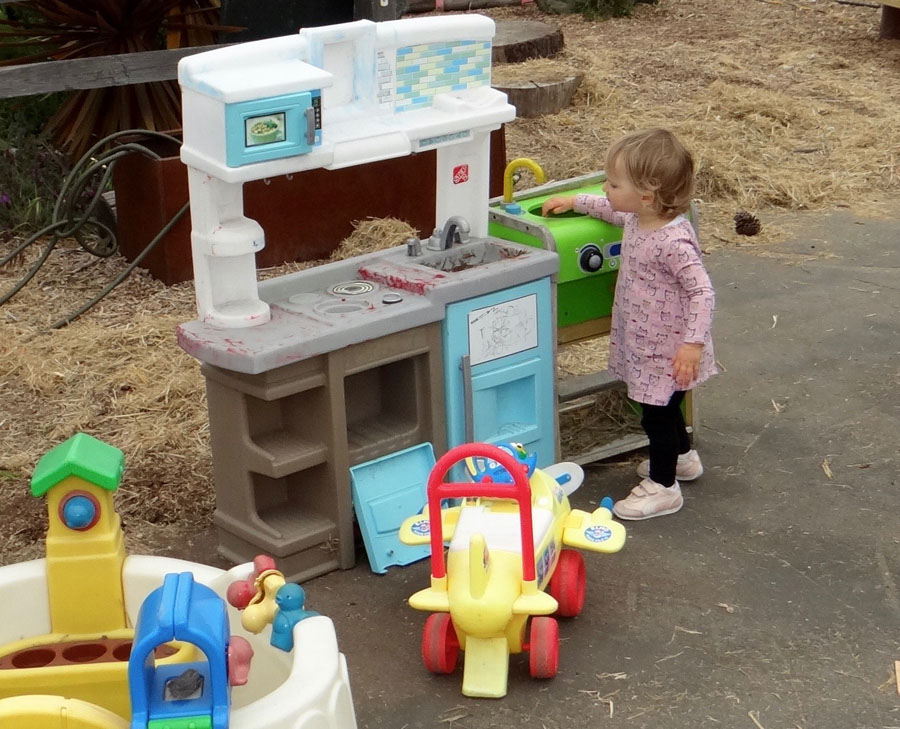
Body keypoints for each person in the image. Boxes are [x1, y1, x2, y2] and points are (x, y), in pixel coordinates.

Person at [542, 128, 716, 520]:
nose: (606, 188)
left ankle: (663, 487)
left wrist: (693, 343)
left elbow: (702, 292)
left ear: (647, 195)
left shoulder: (672, 241)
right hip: (648, 342)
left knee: (656, 415)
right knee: (666, 405)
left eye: (613, 183)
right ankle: (682, 458)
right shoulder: (640, 218)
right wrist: (575, 201)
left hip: (668, 350)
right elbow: (611, 210)